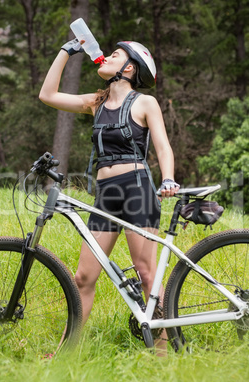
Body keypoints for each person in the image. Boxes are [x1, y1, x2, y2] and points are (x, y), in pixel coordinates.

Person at [39, 36, 180, 353]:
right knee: (83, 278)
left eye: (114, 55)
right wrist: (66, 51)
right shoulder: (96, 102)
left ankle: (162, 355)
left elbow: (163, 147)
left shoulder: (145, 103)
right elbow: (47, 95)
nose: (105, 58)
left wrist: (168, 178)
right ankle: (64, 353)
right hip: (106, 194)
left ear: (129, 67)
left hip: (137, 187)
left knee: (146, 273)